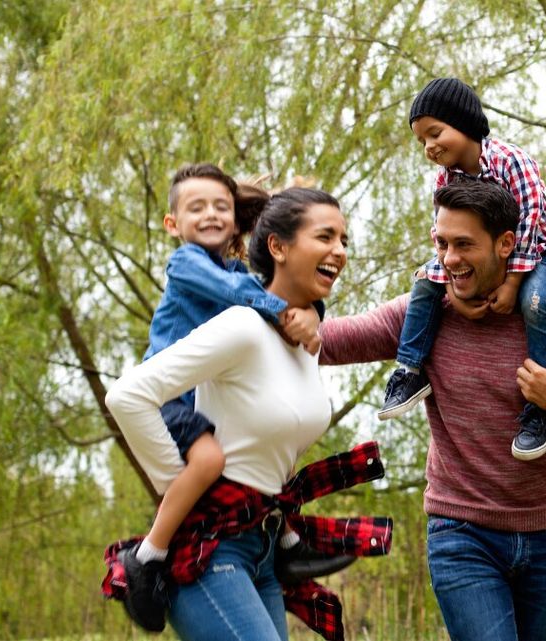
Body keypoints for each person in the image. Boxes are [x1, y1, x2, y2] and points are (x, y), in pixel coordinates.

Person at [319, 179, 546, 641]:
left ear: (506, 243)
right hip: (461, 535)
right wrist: (259, 302)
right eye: (442, 244)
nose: (449, 259)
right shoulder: (425, 315)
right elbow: (327, 341)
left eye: (464, 245)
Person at [104, 185, 392, 640]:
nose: (339, 251)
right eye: (325, 237)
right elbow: (127, 396)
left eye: (344, 240)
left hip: (265, 550)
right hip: (210, 552)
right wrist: (175, 483)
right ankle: (146, 558)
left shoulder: (306, 342)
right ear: (278, 247)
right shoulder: (242, 325)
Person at [379, 77, 546, 462]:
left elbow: (529, 222)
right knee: (424, 281)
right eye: (421, 141)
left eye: (435, 133)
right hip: (482, 258)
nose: (429, 146)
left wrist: (513, 282)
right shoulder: (446, 178)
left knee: (535, 303)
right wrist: (453, 292)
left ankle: (541, 403)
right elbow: (442, 237)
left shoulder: (510, 161)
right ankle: (411, 369)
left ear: (464, 123)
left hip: (541, 251)